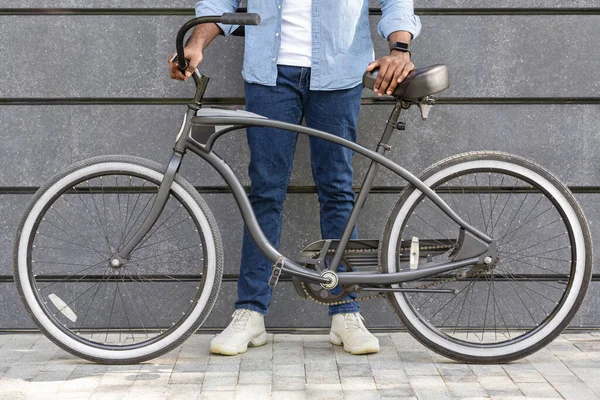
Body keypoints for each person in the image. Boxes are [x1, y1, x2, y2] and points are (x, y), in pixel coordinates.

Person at [169, 0, 421, 356]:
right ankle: (250, 312)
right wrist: (195, 45)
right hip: (269, 75)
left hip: (338, 69)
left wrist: (399, 48)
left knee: (336, 188)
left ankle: (345, 312)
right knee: (265, 192)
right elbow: (219, 2)